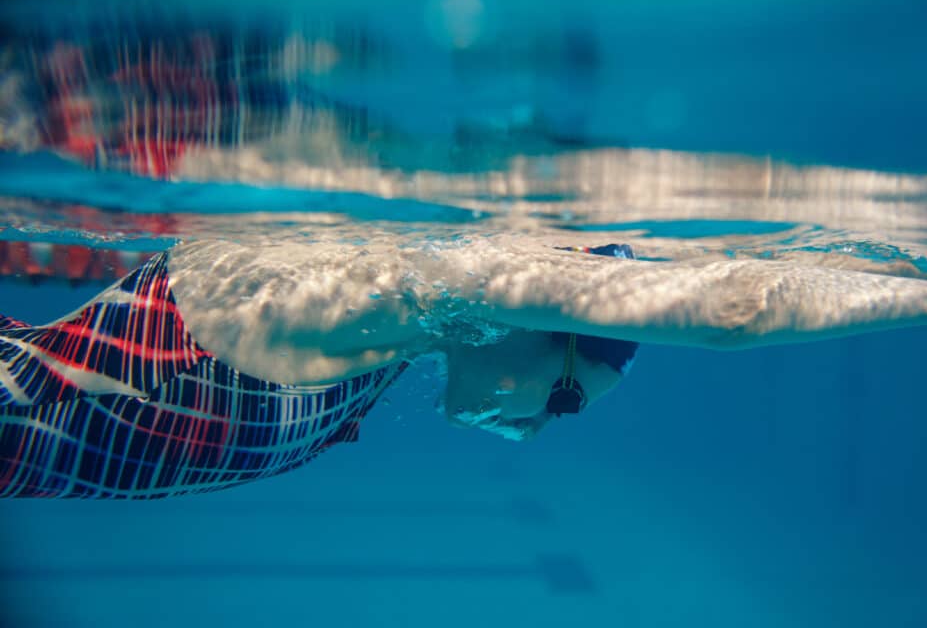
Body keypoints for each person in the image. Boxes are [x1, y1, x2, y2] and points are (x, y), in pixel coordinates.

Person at [0, 242, 639, 500]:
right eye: (565, 400)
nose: (533, 430)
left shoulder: (382, 358)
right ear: (533, 318)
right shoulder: (368, 302)